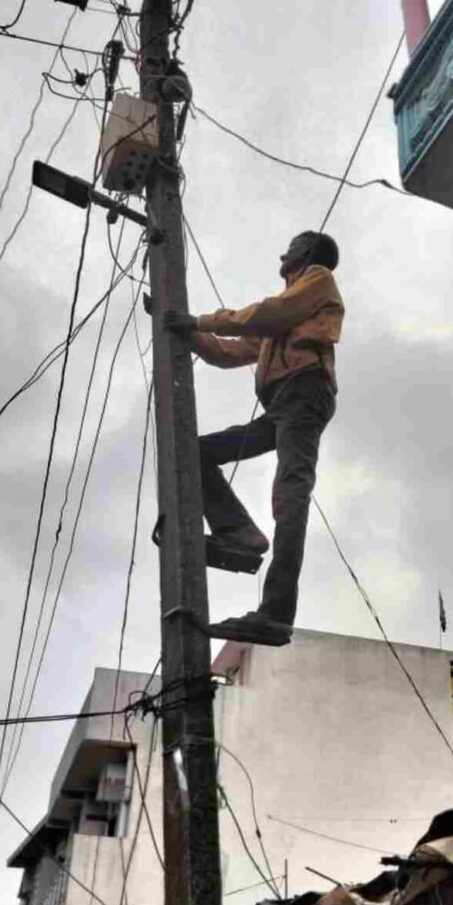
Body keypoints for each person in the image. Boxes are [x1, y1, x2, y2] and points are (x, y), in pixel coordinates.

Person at [165, 230, 344, 645]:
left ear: (304, 252)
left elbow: (267, 313)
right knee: (196, 452)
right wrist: (183, 329)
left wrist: (198, 320)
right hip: (282, 405)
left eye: (292, 244)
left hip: (304, 393)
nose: (284, 249)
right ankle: (242, 535)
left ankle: (277, 614)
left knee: (290, 495)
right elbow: (227, 353)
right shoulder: (289, 311)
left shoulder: (316, 280)